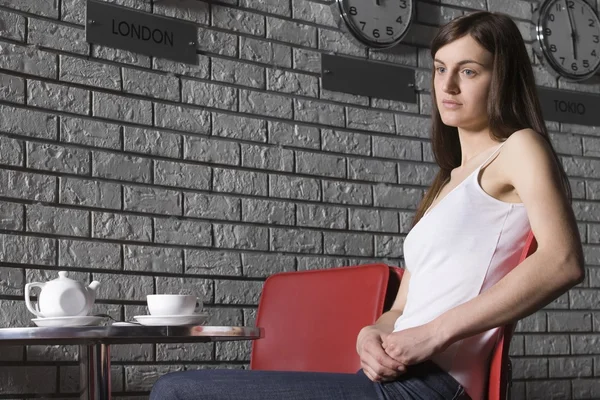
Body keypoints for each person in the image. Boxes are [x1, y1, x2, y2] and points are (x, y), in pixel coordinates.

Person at [149, 11, 584, 400]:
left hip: (434, 385)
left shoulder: (519, 149)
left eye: (468, 71)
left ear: (501, 77)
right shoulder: (447, 182)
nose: (447, 85)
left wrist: (433, 335)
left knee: (175, 391)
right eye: (439, 69)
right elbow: (402, 308)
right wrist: (371, 333)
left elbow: (562, 261)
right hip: (389, 376)